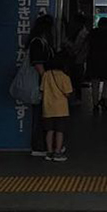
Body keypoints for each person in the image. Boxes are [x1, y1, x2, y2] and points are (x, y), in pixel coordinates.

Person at [26, 13, 56, 157]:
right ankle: (38, 146)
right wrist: (48, 82)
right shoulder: (38, 43)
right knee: (39, 115)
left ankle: (43, 144)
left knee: (43, 115)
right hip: (40, 84)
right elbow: (38, 65)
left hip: (42, 83)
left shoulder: (41, 42)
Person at [40, 49, 74, 162]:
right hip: (61, 109)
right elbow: (68, 93)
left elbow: (42, 89)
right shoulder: (64, 77)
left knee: (49, 131)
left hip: (47, 108)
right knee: (60, 131)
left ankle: (49, 152)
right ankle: (58, 152)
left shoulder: (46, 75)